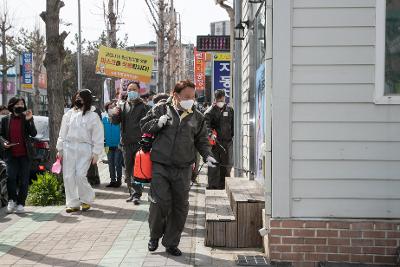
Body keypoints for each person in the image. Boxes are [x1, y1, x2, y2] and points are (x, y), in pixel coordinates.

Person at [141, 79, 217, 256]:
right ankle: (154, 235)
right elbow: (143, 125)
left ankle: (171, 242)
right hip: (161, 165)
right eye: (186, 96)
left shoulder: (197, 116)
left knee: (180, 207)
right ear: (176, 95)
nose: (190, 100)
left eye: (193, 96)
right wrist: (157, 124)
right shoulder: (161, 109)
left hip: (183, 168)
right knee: (159, 203)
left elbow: (202, 141)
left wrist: (208, 155)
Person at [56, 89, 104, 213]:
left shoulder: (93, 116)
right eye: (77, 98)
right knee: (68, 176)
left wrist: (96, 153)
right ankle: (72, 203)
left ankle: (87, 199)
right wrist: (60, 148)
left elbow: (98, 135)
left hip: (85, 148)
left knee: (80, 175)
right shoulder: (68, 114)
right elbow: (62, 133)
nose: (78, 101)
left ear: (87, 100)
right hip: (69, 148)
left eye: (81, 99)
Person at [110, 81, 150, 205]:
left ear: (139, 91)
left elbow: (147, 124)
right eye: (129, 89)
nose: (131, 92)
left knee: (137, 170)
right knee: (128, 170)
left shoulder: (144, 107)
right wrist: (115, 112)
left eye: (134, 89)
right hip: (126, 144)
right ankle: (131, 193)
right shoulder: (122, 106)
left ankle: (137, 194)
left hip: (139, 143)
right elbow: (115, 122)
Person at [0, 97, 37, 214]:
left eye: (22, 103)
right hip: (11, 155)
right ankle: (12, 200)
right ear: (13, 105)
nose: (21, 105)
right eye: (18, 104)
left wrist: (30, 120)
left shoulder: (25, 118)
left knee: (24, 180)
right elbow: (0, 135)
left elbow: (33, 133)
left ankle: (21, 203)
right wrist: (4, 142)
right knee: (11, 178)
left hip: (25, 155)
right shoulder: (5, 119)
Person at [204, 89, 234, 189]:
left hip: (227, 141)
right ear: (215, 99)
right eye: (218, 100)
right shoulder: (210, 111)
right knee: (214, 163)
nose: (221, 101)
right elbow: (206, 125)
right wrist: (210, 134)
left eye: (222, 99)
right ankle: (212, 185)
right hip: (215, 142)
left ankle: (223, 184)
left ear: (225, 98)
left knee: (226, 164)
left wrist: (231, 135)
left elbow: (233, 125)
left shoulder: (229, 110)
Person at [103, 101, 123, 188]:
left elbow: (122, 132)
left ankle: (119, 180)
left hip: (118, 145)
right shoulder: (103, 119)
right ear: (106, 109)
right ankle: (112, 180)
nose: (111, 109)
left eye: (113, 107)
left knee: (117, 163)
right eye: (109, 107)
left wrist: (121, 143)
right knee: (110, 163)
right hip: (107, 145)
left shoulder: (119, 119)